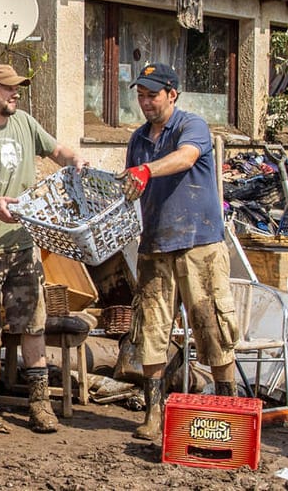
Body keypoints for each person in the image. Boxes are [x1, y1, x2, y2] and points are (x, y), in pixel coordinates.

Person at [0, 63, 86, 434]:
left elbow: (56, 150)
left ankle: (39, 405)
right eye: (8, 88)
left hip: (23, 244)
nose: (16, 93)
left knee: (33, 324)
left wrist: (74, 159)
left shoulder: (25, 123)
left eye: (17, 88)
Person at [119, 62, 237, 442]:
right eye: (140, 95)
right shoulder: (138, 139)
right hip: (155, 245)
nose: (145, 102)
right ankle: (154, 412)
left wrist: (146, 171)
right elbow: (131, 186)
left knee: (212, 327)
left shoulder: (192, 126)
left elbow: (186, 158)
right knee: (150, 331)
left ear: (172, 94)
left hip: (199, 244)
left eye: (152, 95)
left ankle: (228, 408)